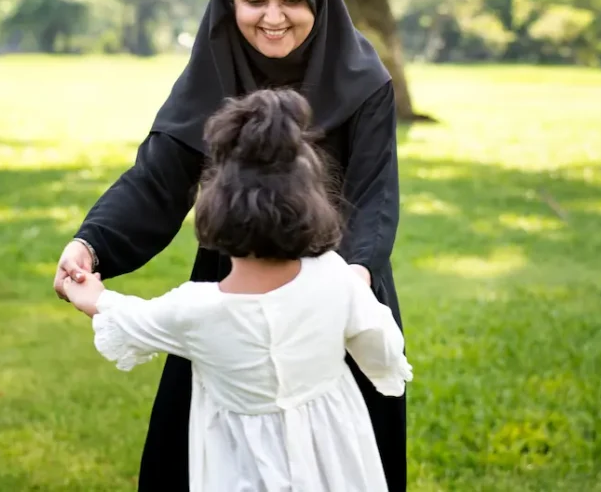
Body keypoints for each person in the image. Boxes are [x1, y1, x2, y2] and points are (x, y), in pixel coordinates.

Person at [53, 0, 407, 490]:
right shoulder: (210, 76)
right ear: (229, 2)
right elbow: (157, 179)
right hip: (238, 284)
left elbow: (376, 197)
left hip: (342, 287)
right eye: (255, 0)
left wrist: (355, 280)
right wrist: (92, 242)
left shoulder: (361, 77)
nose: (275, 17)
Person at [63, 88, 412, 492]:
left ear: (215, 214)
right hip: (334, 463)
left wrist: (83, 284)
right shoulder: (337, 278)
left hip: (241, 472)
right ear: (313, 206)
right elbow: (382, 346)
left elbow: (119, 314)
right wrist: (384, 373)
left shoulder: (192, 310)